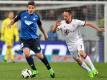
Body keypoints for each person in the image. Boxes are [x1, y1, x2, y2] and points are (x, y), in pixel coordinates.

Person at [52, 9, 104, 78]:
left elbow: (88, 23)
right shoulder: (61, 23)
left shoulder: (76, 22)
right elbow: (53, 31)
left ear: (70, 15)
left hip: (78, 41)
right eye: (64, 16)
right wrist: (56, 25)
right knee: (78, 60)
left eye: (66, 16)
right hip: (70, 45)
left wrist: (98, 29)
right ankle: (89, 71)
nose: (64, 18)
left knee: (82, 53)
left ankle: (94, 69)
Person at [9, 1, 55, 78]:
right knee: (27, 53)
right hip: (24, 39)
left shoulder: (36, 17)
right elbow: (14, 20)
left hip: (34, 39)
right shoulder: (22, 14)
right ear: (27, 8)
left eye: (32, 8)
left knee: (40, 55)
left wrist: (45, 34)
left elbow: (40, 26)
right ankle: (34, 70)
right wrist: (10, 24)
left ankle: (50, 69)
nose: (31, 9)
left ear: (35, 9)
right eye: (29, 8)